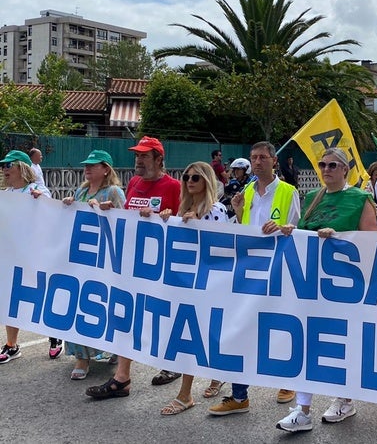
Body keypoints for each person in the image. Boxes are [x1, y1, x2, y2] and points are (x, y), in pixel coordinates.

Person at [275, 147, 377, 433]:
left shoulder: (359, 198)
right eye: (322, 164)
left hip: (344, 285)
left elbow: (372, 242)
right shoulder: (312, 197)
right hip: (311, 283)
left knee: (338, 343)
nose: (326, 169)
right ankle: (303, 408)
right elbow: (304, 234)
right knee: (306, 342)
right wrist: (290, 231)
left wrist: (339, 238)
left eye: (333, 165)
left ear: (346, 169)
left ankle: (344, 400)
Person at [209, 141, 302, 415]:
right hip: (249, 269)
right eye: (254, 157)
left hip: (278, 269)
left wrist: (286, 228)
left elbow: (298, 231)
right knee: (242, 328)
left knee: (278, 327)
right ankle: (239, 396)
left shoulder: (288, 191)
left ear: (274, 160)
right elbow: (244, 229)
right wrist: (237, 211)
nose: (258, 161)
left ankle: (287, 381)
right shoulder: (247, 190)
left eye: (262, 157)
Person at [86, 136, 181, 399]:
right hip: (133, 262)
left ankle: (172, 364)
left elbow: (185, 222)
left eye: (144, 156)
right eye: (136, 155)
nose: (138, 160)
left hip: (161, 266)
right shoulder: (135, 183)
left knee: (164, 316)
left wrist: (169, 217)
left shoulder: (173, 186)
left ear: (159, 159)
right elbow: (127, 218)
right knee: (127, 315)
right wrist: (108, 210)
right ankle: (122, 378)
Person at [157, 162, 229, 415]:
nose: (189, 181)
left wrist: (199, 224)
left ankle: (211, 379)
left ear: (207, 181)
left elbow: (223, 249)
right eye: (186, 176)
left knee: (208, 336)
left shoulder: (217, 210)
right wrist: (164, 219)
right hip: (186, 284)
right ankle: (186, 393)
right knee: (189, 337)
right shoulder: (182, 208)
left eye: (196, 177)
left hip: (208, 285)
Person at [61, 150, 126, 379]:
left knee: (104, 305)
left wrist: (109, 209)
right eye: (86, 165)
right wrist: (68, 204)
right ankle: (82, 357)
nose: (87, 169)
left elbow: (127, 223)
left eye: (93, 165)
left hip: (104, 260)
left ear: (106, 168)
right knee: (79, 303)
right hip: (81, 258)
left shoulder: (114, 192)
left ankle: (117, 347)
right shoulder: (80, 190)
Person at [0, 150, 56, 364]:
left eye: (8, 165)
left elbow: (52, 215)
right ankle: (12, 345)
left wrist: (42, 201)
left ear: (22, 167)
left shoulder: (37, 189)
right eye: (3, 165)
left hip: (35, 255)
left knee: (41, 296)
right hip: (11, 255)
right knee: (10, 299)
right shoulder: (6, 194)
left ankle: (55, 336)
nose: (4, 169)